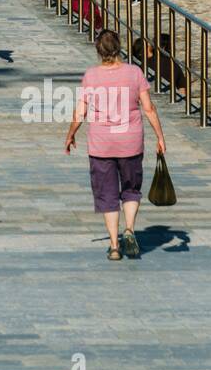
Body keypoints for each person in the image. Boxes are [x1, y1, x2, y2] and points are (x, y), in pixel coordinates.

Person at [66, 30, 166, 262]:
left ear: (98, 51)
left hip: (101, 145)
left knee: (107, 195)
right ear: (119, 47)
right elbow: (149, 108)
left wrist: (70, 135)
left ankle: (113, 246)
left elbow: (80, 111)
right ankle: (129, 230)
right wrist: (160, 136)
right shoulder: (134, 72)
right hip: (130, 142)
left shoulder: (91, 76)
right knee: (131, 189)